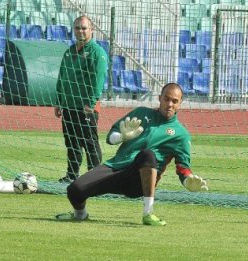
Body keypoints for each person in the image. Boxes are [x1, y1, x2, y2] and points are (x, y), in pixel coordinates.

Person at [56, 83, 209, 226]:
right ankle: (80, 214)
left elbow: (183, 167)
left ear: (180, 103)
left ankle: (148, 214)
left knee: (147, 155)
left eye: (174, 101)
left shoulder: (181, 134)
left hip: (139, 181)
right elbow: (110, 137)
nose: (169, 104)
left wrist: (188, 180)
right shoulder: (141, 113)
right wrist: (122, 137)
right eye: (166, 99)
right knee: (74, 190)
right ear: (159, 98)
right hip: (116, 168)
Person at [55, 15, 108, 183]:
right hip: (69, 105)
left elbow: (98, 80)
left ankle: (95, 179)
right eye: (77, 28)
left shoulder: (97, 52)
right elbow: (62, 77)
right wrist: (59, 101)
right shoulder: (69, 52)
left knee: (89, 142)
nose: (81, 31)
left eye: (84, 28)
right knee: (71, 142)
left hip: (86, 107)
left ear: (91, 30)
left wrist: (91, 103)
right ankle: (72, 176)